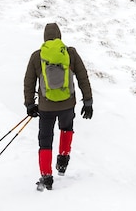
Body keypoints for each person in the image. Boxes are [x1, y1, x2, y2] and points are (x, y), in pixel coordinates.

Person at [24, 22, 93, 190]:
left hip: (46, 107)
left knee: (45, 140)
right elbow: (82, 77)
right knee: (66, 128)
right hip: (67, 104)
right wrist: (88, 101)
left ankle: (46, 177)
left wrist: (30, 104)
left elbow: (29, 82)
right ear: (60, 36)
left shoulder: (37, 56)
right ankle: (62, 161)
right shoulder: (70, 53)